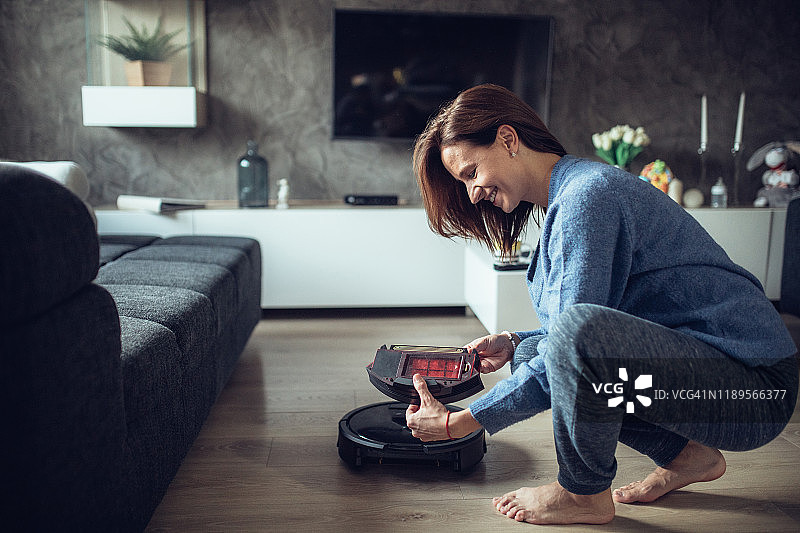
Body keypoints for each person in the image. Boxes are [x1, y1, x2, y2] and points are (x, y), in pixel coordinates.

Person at [405, 84, 798, 525]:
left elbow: (579, 336)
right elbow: (579, 337)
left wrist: (464, 422)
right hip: (714, 379)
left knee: (566, 344)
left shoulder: (587, 197)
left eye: (471, 172)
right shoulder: (570, 199)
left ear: (508, 139)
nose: (473, 192)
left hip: (755, 389)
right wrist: (517, 342)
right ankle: (688, 455)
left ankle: (582, 492)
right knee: (536, 353)